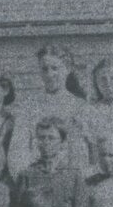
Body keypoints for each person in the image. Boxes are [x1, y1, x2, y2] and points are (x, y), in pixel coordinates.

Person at [16, 116, 92, 207]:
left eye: (51, 138)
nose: (46, 143)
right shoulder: (26, 175)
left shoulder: (74, 176)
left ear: (62, 142)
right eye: (41, 138)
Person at [12, 43, 88, 171]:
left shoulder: (80, 106)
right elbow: (17, 152)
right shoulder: (28, 106)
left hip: (69, 177)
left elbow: (82, 153)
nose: (49, 74)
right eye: (44, 69)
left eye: (55, 68)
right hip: (35, 177)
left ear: (67, 68)